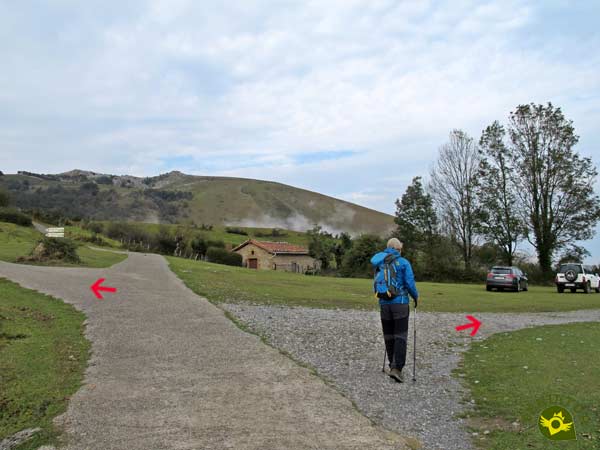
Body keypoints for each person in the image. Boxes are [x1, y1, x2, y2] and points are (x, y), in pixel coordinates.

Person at [371, 238, 418, 382]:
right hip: (400, 303)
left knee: (389, 335)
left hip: (384, 303)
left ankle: (392, 364)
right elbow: (409, 283)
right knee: (400, 336)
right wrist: (415, 297)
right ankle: (397, 369)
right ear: (398, 249)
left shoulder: (380, 262)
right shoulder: (403, 262)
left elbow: (376, 283)